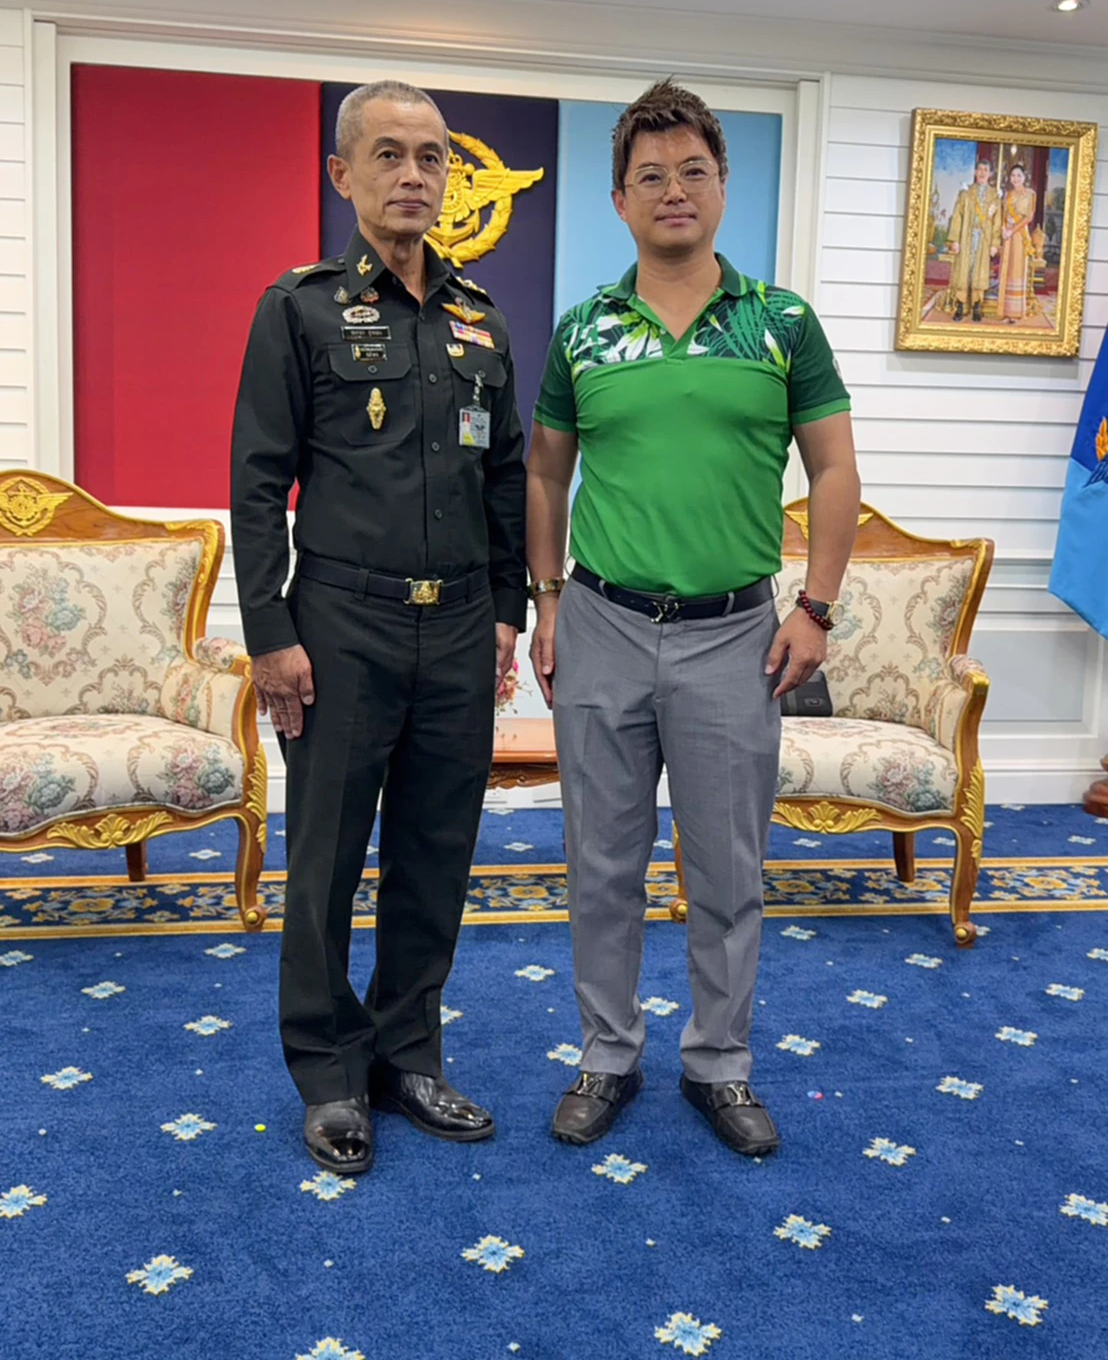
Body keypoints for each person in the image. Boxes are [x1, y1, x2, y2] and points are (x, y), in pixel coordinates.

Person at [526, 79, 860, 1158]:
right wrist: (546, 599)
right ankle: (607, 1053)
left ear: (723, 187)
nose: (674, 190)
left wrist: (815, 609)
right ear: (619, 200)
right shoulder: (583, 330)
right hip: (601, 624)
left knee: (725, 868)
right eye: (651, 176)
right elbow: (545, 472)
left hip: (734, 636)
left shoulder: (782, 323)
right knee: (602, 863)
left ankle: (719, 1061)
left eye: (693, 172)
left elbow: (834, 468)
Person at [231, 81, 527, 1174]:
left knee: (436, 853)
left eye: (431, 156)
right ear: (342, 174)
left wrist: (509, 610)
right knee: (325, 860)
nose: (413, 174)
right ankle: (328, 1072)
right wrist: (270, 632)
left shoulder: (481, 318)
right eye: (389, 154)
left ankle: (408, 1055)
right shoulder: (299, 308)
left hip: (459, 628)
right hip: (339, 627)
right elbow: (256, 482)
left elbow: (506, 474)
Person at [946, 158, 1000, 322]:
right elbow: (957, 217)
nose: (982, 172)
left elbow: (997, 222)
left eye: (986, 170)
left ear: (990, 174)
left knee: (979, 272)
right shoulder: (966, 193)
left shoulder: (995, 196)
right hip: (966, 238)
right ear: (975, 172)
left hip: (984, 240)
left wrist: (994, 244)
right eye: (980, 169)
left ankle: (977, 305)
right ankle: (960, 306)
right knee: (963, 271)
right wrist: (955, 240)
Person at [997, 163, 1037, 322]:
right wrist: (1003, 229)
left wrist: (1012, 231)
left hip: (1020, 235)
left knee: (1017, 269)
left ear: (1024, 177)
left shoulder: (1030, 194)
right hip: (1007, 236)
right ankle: (1005, 310)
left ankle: (1016, 312)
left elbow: (1029, 217)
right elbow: (1003, 214)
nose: (1015, 178)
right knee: (1007, 270)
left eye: (1019, 175)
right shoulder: (1007, 195)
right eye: (1013, 175)